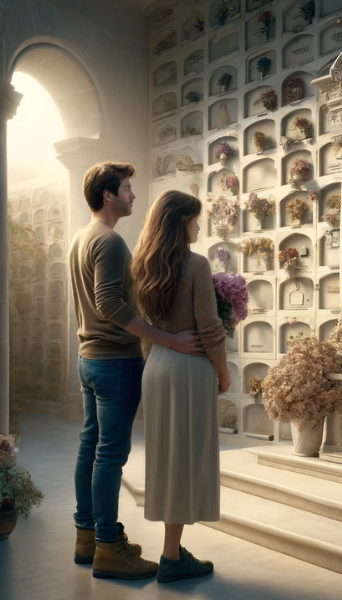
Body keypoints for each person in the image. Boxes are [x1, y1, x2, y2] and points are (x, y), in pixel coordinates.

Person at [69, 162, 203, 580]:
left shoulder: (80, 236)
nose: (132, 194)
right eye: (126, 188)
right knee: (110, 454)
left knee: (90, 446)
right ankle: (109, 548)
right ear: (108, 195)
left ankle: (87, 536)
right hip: (114, 361)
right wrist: (166, 339)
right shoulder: (108, 242)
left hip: (88, 357)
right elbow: (109, 303)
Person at [131, 190, 231, 583]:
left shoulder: (143, 267)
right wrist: (223, 372)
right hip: (189, 368)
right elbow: (209, 325)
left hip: (156, 364)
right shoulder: (196, 265)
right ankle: (172, 558)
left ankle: (173, 552)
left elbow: (145, 326)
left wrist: (157, 351)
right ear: (180, 223)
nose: (199, 226)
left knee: (167, 458)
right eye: (195, 219)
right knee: (187, 459)